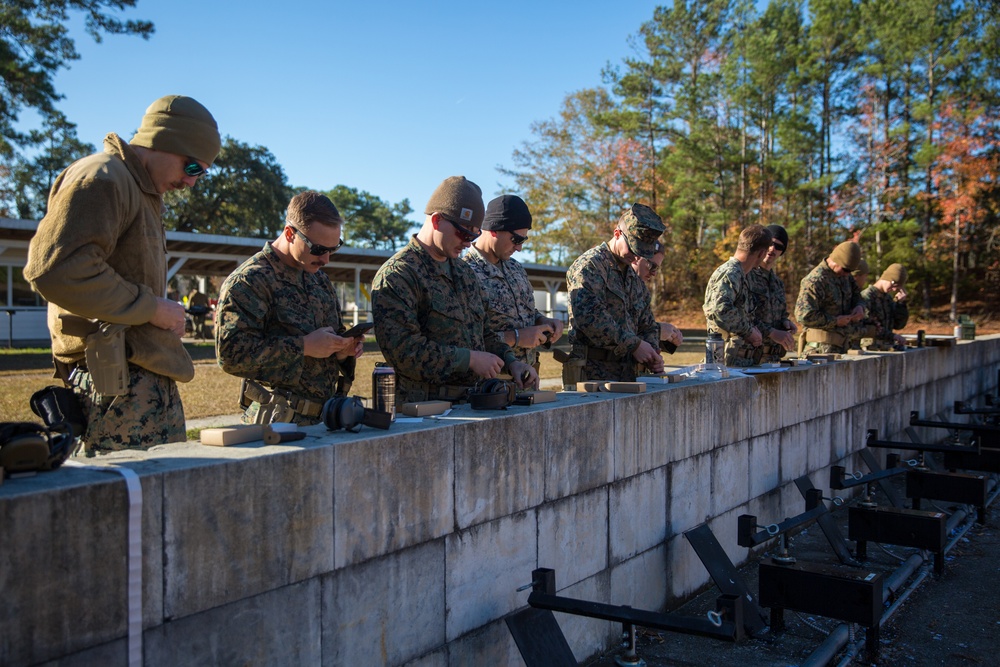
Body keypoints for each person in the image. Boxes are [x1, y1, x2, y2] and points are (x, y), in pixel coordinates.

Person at [24, 95, 221, 452]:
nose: (192, 183)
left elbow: (119, 277)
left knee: (160, 501)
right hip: (112, 386)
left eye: (202, 174)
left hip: (139, 385)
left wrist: (160, 311)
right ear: (165, 140)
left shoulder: (139, 190)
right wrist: (152, 309)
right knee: (121, 504)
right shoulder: (103, 176)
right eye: (192, 168)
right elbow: (57, 269)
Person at [371, 176, 537, 407]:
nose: (469, 243)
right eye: (464, 233)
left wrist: (511, 362)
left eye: (475, 235)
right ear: (437, 221)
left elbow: (484, 333)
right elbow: (405, 352)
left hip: (471, 403)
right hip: (423, 410)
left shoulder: (463, 272)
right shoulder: (399, 275)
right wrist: (467, 359)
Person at [215, 191, 363, 425]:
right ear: (289, 233)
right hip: (276, 422)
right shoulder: (250, 281)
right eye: (318, 249)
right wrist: (303, 346)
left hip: (324, 420)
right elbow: (231, 355)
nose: (326, 259)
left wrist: (342, 350)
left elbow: (327, 346)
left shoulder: (319, 281)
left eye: (333, 249)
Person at [565, 203, 665, 383]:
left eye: (642, 253)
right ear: (617, 234)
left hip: (629, 373)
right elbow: (590, 318)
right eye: (633, 249)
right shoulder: (590, 266)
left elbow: (647, 322)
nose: (636, 257)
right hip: (593, 374)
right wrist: (634, 345)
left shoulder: (632, 276)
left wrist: (651, 352)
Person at [463, 195, 564, 372]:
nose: (519, 248)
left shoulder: (516, 269)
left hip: (528, 376)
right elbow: (467, 340)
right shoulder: (465, 273)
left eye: (523, 241)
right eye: (516, 240)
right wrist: (516, 337)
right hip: (490, 384)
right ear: (494, 230)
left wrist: (543, 320)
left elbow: (527, 312)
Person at [702, 224, 773, 367]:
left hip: (740, 360)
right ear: (761, 253)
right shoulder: (730, 273)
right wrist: (748, 331)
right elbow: (720, 310)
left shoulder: (743, 275)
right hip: (727, 361)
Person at [794, 241, 868, 354]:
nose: (847, 274)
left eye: (851, 272)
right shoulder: (815, 280)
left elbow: (857, 295)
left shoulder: (846, 278)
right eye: (846, 270)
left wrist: (859, 306)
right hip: (819, 351)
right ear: (835, 261)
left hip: (843, 348)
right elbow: (804, 315)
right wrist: (835, 321)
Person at [737, 225, 797, 364]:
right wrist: (772, 332)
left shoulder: (777, 283)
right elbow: (742, 315)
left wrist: (785, 322)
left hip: (772, 358)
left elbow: (779, 313)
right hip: (748, 355)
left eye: (778, 247)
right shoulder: (746, 275)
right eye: (770, 244)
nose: (772, 249)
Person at [629, 240, 683, 352]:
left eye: (656, 268)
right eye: (651, 266)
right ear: (636, 257)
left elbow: (641, 329)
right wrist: (657, 331)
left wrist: (668, 338)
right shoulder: (615, 283)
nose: (654, 273)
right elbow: (615, 332)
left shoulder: (641, 290)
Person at [861, 263, 910, 348]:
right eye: (893, 285)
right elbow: (867, 327)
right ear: (886, 278)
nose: (894, 289)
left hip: (886, 348)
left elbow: (898, 325)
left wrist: (900, 304)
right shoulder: (866, 297)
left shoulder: (888, 299)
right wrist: (892, 336)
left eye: (897, 287)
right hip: (869, 349)